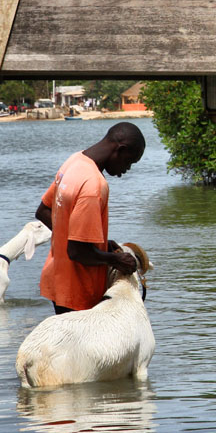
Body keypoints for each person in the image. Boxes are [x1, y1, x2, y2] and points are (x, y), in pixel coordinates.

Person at [35, 122, 145, 314]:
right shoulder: (93, 185)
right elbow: (78, 252)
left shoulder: (75, 161)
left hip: (58, 282)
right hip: (79, 294)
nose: (127, 169)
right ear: (120, 149)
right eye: (129, 161)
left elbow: (44, 211)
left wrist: (99, 245)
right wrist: (116, 260)